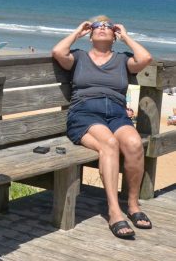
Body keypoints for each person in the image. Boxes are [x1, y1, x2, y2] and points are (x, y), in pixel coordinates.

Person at [52, 15, 153, 239]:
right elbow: (58, 52)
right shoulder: (78, 57)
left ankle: (133, 206)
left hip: (117, 114)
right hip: (85, 114)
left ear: (114, 36)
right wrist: (78, 31)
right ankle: (114, 211)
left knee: (135, 143)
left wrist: (126, 37)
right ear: (89, 35)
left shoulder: (122, 60)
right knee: (109, 143)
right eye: (97, 26)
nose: (102, 28)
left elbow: (145, 58)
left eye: (108, 26)